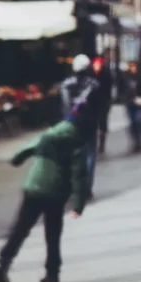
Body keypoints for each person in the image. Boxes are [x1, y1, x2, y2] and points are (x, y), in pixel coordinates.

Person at [0, 97, 91, 282]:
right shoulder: (77, 141)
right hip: (56, 192)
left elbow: (28, 147)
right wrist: (78, 205)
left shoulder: (52, 133)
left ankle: (2, 262)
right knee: (52, 235)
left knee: (21, 228)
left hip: (33, 186)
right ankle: (52, 277)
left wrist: (17, 159)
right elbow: (80, 176)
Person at [59, 54, 100, 199]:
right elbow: (98, 107)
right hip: (89, 125)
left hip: (72, 125)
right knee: (89, 156)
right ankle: (86, 187)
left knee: (73, 157)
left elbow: (64, 107)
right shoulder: (93, 85)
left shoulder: (65, 85)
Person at [92, 56, 114, 154]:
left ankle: (102, 144)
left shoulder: (106, 75)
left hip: (103, 102)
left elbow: (108, 89)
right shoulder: (91, 75)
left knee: (102, 123)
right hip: (94, 103)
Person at [122, 61, 141, 153]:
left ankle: (138, 141)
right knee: (132, 123)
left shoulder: (138, 77)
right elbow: (122, 89)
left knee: (138, 120)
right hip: (130, 103)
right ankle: (136, 142)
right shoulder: (126, 77)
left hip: (139, 103)